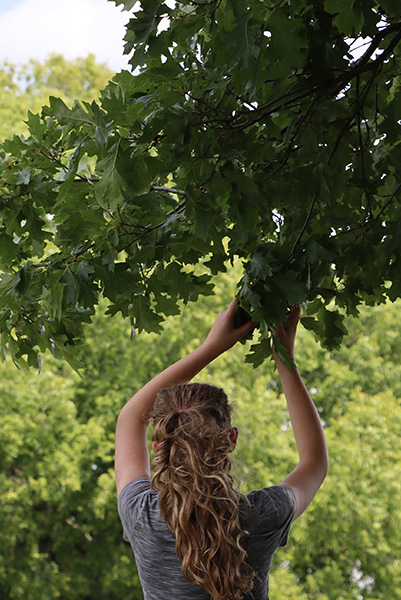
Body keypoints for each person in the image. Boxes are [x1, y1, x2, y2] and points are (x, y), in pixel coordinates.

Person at [115, 299, 329, 600]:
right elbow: (315, 461)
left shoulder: (142, 515)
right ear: (231, 440)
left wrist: (212, 347)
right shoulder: (262, 514)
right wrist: (284, 357)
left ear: (158, 447)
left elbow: (129, 419)